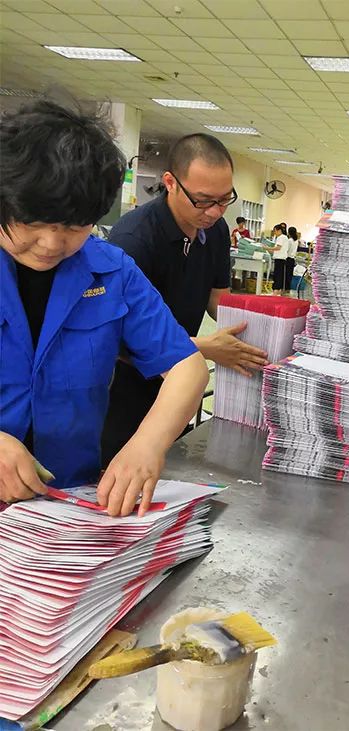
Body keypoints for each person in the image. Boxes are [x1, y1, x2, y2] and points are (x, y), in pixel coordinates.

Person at [0, 100, 208, 516]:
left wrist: (146, 445)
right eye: (33, 223)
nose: (51, 244)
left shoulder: (112, 272)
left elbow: (187, 367)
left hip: (66, 501)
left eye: (74, 226)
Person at [102, 133, 268, 464]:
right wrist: (204, 348)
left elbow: (218, 299)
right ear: (170, 183)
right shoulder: (134, 240)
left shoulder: (215, 231)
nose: (215, 211)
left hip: (180, 386)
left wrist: (265, 328)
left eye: (224, 199)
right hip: (127, 390)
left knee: (171, 468)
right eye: (203, 200)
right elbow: (116, 340)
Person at [262, 224, 288, 296]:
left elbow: (278, 248)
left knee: (277, 276)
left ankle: (276, 291)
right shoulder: (284, 237)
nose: (274, 233)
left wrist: (267, 248)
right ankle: (278, 291)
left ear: (279, 230)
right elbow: (277, 250)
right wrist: (268, 249)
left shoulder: (280, 237)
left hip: (280, 259)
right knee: (279, 275)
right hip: (280, 259)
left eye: (275, 231)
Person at [285, 226, 299, 293]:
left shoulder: (289, 240)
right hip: (292, 259)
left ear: (289, 232)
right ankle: (288, 288)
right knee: (290, 275)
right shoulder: (296, 240)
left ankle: (285, 288)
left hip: (288, 259)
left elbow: (286, 250)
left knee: (286, 274)